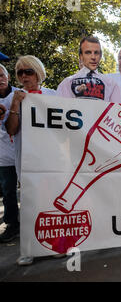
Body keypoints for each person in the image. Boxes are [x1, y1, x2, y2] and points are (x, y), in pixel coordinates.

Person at [3, 56, 57, 264]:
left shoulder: (53, 95)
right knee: (29, 203)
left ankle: (52, 244)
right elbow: (11, 129)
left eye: (29, 71)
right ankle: (29, 249)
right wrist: (16, 104)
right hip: (26, 160)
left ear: (38, 72)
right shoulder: (14, 97)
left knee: (51, 203)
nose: (24, 76)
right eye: (20, 73)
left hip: (52, 160)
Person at [57, 36, 121, 102]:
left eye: (96, 53)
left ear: (100, 56)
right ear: (81, 56)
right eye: (88, 52)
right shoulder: (67, 83)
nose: (93, 57)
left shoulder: (111, 84)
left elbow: (117, 109)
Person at [0, 64, 20, 243]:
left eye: (2, 75)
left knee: (31, 190)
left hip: (24, 153)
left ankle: (31, 222)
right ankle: (12, 225)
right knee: (8, 192)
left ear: (8, 77)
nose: (0, 79)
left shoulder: (20, 94)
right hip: (4, 156)